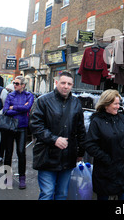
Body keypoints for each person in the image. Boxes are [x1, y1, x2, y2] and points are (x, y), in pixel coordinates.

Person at [29, 71, 86, 200]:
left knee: (62, 194)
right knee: (47, 193)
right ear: (56, 83)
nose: (66, 86)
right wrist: (53, 139)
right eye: (63, 83)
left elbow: (80, 129)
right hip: (47, 155)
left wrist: (80, 152)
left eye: (69, 84)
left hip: (68, 155)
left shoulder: (76, 103)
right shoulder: (43, 101)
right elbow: (35, 125)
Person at [85, 89, 124, 200]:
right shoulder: (97, 121)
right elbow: (90, 144)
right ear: (106, 104)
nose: (118, 106)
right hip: (105, 170)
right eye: (115, 104)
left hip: (122, 169)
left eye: (119, 104)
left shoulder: (122, 118)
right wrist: (105, 158)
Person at [2, 76, 34, 189]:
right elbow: (5, 111)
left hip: (22, 127)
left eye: (17, 83)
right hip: (10, 127)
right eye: (14, 83)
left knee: (21, 153)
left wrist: (13, 107)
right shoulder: (10, 95)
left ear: (23, 85)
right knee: (8, 153)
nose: (14, 85)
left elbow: (28, 108)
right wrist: (20, 108)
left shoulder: (29, 95)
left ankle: (22, 178)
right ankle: (7, 177)